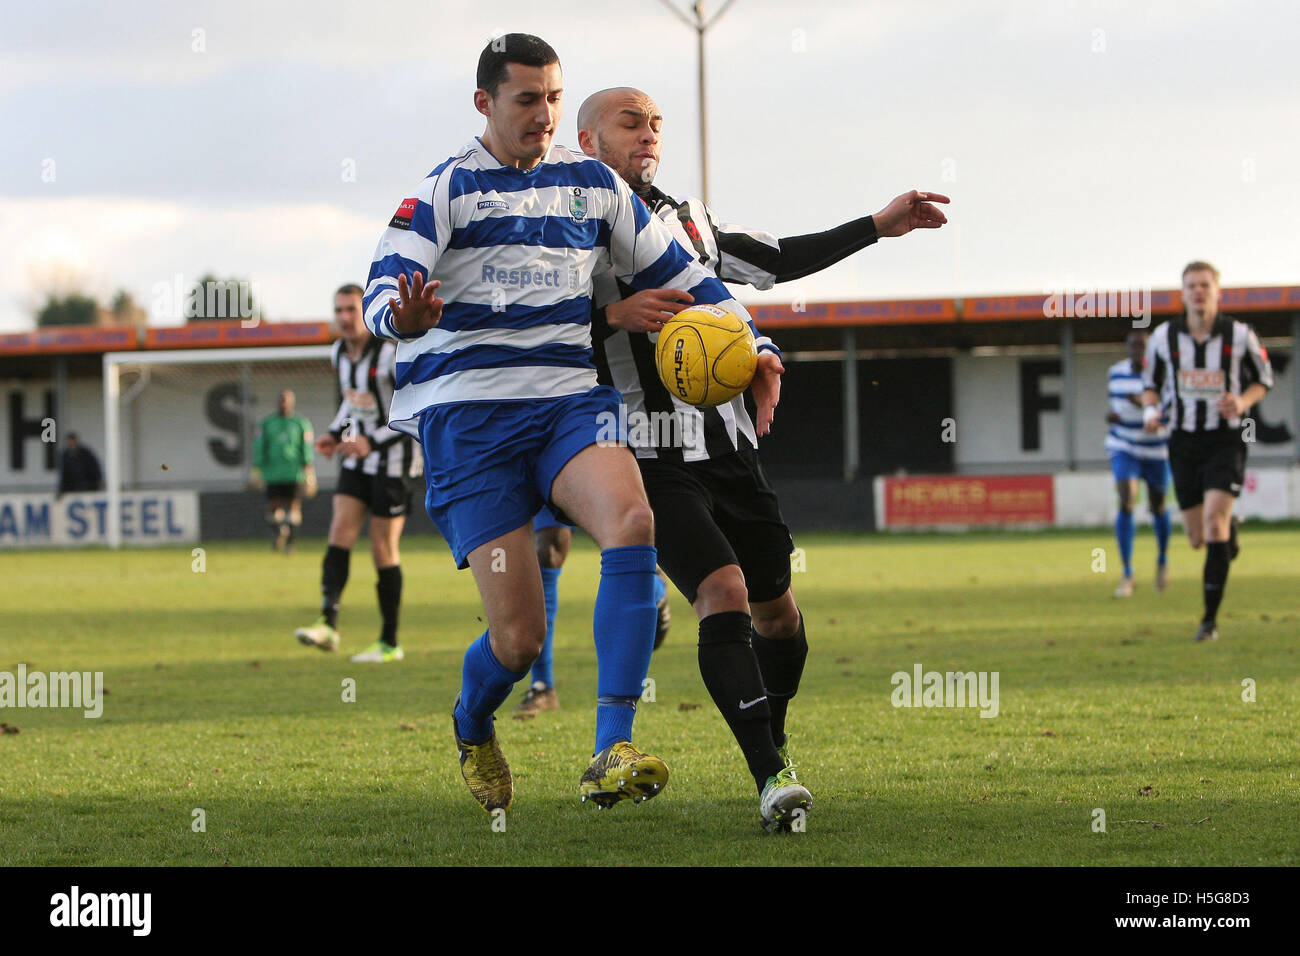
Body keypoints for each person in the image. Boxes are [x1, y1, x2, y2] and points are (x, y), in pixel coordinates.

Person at [360, 34, 784, 816]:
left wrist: (753, 343)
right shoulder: (445, 190)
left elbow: (687, 276)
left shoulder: (592, 186)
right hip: (471, 423)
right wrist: (402, 313)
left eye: (554, 98)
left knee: (633, 519)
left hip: (566, 404)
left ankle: (610, 748)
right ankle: (472, 720)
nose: (544, 115)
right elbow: (382, 286)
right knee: (517, 642)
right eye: (527, 100)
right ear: (484, 103)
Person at [574, 86, 949, 830]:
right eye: (630, 123)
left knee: (779, 615)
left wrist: (878, 225)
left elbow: (776, 261)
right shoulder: (567, 233)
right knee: (723, 593)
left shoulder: (690, 220)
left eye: (656, 125)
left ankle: (771, 739)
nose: (649, 135)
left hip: (731, 450)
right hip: (646, 454)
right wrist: (608, 317)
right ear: (587, 142)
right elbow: (528, 332)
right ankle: (770, 776)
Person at [1142, 261, 1274, 641]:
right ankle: (1229, 530)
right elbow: (1150, 384)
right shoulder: (1163, 338)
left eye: (1205, 285)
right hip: (1181, 441)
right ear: (1182, 293)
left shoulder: (1240, 334)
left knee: (1213, 523)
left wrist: (1243, 402)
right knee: (1199, 537)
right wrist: (1152, 411)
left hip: (1225, 439)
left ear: (1218, 291)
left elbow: (1264, 379)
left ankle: (1209, 621)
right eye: (1191, 286)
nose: (1198, 292)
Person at [294, 284, 421, 664]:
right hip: (357, 459)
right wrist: (334, 435)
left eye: (352, 310)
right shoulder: (338, 353)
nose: (345, 318)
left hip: (394, 460)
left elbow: (412, 408)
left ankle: (389, 642)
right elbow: (351, 405)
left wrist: (371, 441)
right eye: (339, 311)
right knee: (339, 532)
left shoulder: (388, 354)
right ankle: (328, 624)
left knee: (383, 548)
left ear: (364, 312)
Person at [512, 505, 670, 720]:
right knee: (546, 552)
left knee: (620, 535)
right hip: (536, 471)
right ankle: (542, 687)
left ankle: (652, 586)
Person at [1105, 331, 1171, 597]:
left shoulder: (1163, 374)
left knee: (1158, 505)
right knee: (1127, 500)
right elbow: (1116, 409)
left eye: (1141, 345)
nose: (1136, 350)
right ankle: (1127, 572)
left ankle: (1162, 560)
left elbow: (1170, 413)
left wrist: (1147, 406)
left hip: (1156, 448)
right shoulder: (1115, 373)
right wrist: (1112, 417)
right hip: (1125, 445)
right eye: (1132, 344)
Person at [250, 389, 316, 553]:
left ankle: (290, 545)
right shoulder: (267, 423)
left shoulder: (301, 423)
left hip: (294, 472)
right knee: (274, 507)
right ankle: (280, 532)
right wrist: (257, 467)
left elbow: (306, 446)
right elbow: (259, 445)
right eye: (281, 400)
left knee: (293, 506)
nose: (283, 403)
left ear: (292, 402)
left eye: (286, 400)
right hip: (272, 472)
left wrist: (308, 467)